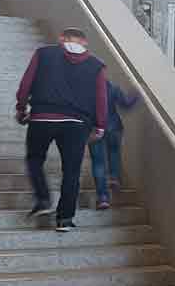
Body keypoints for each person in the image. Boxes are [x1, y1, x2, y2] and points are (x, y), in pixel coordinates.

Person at [16, 28, 109, 233]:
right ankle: (65, 219)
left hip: (42, 118)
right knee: (72, 170)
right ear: (85, 43)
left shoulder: (43, 54)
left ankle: (42, 199)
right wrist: (100, 125)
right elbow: (101, 98)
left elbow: (26, 84)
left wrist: (21, 108)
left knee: (34, 159)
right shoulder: (97, 65)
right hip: (77, 124)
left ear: (61, 39)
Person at [88, 80, 141, 211]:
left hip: (94, 130)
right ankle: (114, 177)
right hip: (114, 127)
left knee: (98, 163)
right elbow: (126, 105)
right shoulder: (113, 88)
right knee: (114, 153)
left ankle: (103, 198)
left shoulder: (86, 89)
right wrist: (136, 95)